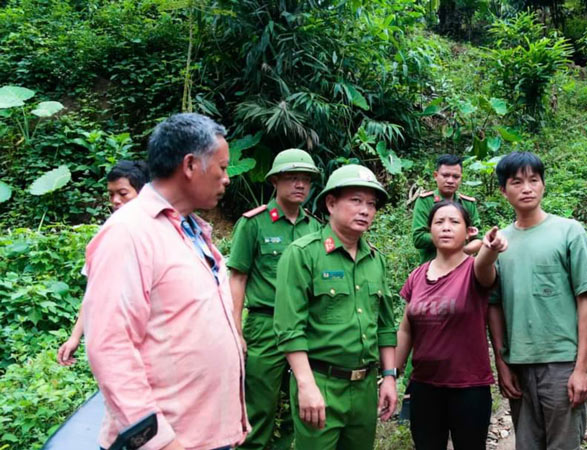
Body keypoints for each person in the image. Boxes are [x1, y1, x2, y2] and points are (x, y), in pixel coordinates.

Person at [82, 113, 249, 450]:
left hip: (204, 435)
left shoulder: (191, 230)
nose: (227, 178)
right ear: (190, 165)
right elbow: (109, 346)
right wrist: (156, 440)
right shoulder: (129, 233)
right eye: (221, 167)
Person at [274, 164, 398, 450]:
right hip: (320, 382)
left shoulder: (375, 260)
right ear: (331, 203)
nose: (365, 210)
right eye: (356, 200)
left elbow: (385, 326)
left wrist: (389, 377)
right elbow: (290, 328)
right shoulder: (303, 254)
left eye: (371, 203)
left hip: (365, 386)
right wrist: (306, 385)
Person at [487, 151, 587, 450]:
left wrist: (581, 369)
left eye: (534, 180)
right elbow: (494, 305)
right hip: (519, 365)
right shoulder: (500, 244)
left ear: (543, 185)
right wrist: (502, 363)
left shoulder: (569, 232)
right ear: (503, 190)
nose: (527, 188)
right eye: (517, 182)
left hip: (561, 364)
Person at [227, 148, 322, 449]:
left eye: (305, 180)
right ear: (275, 182)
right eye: (292, 178)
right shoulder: (254, 224)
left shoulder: (316, 228)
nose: (300, 185)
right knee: (259, 407)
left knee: (302, 404)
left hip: (305, 328)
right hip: (265, 326)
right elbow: (237, 277)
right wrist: (235, 331)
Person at [395, 200, 507, 450]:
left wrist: (491, 248)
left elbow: (486, 263)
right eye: (439, 222)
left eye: (454, 222)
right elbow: (405, 329)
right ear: (430, 230)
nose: (446, 227)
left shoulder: (473, 270)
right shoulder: (416, 276)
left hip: (468, 388)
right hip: (424, 387)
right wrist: (393, 374)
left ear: (469, 232)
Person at [57, 160, 150, 366]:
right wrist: (74, 337)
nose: (115, 200)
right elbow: (94, 290)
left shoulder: (159, 231)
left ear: (143, 193)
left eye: (123, 193)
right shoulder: (109, 234)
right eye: (111, 194)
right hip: (119, 342)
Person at [411, 154, 482, 262]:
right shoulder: (425, 201)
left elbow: (478, 238)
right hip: (432, 268)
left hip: (463, 268)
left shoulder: (468, 204)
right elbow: (418, 238)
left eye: (455, 177)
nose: (450, 180)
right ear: (436, 175)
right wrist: (456, 238)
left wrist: (461, 251)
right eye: (445, 175)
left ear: (461, 178)